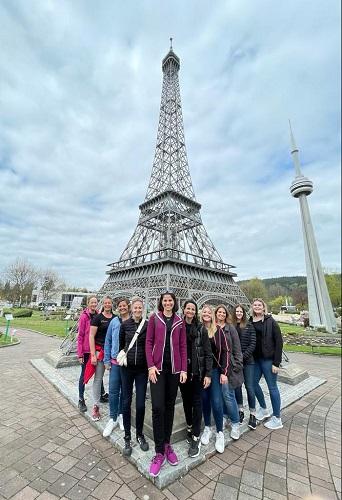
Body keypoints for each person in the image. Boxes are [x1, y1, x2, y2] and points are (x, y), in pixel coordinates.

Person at [145, 292, 187, 478]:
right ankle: (159, 452)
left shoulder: (180, 321)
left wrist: (183, 369)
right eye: (165, 300)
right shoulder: (154, 319)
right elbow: (148, 342)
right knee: (157, 407)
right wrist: (151, 366)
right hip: (158, 370)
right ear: (161, 303)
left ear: (174, 302)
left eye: (170, 300)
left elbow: (183, 346)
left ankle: (167, 444)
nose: (168, 303)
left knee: (169, 407)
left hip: (174, 371)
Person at [180, 300, 212, 458]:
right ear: (184, 310)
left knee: (197, 403)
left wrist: (208, 374)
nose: (190, 311)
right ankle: (190, 426)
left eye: (193, 309)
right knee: (186, 401)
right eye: (188, 309)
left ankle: (196, 436)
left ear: (195, 311)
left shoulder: (201, 329)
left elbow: (207, 352)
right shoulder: (178, 327)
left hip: (197, 373)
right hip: (182, 373)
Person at [120, 297, 149, 456]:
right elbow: (121, 346)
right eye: (135, 308)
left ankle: (139, 434)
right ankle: (127, 436)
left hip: (142, 370)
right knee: (126, 401)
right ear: (131, 309)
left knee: (140, 404)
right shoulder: (125, 325)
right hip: (127, 369)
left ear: (143, 309)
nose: (138, 310)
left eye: (140, 308)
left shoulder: (147, 325)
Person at [251, 298, 283, 430]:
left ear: (264, 308)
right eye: (255, 305)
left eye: (260, 305)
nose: (257, 306)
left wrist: (276, 362)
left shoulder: (271, 321)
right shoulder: (250, 321)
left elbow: (279, 342)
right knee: (252, 384)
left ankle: (277, 418)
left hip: (268, 360)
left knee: (272, 388)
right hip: (256, 360)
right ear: (252, 307)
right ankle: (264, 409)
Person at [200, 304, 228, 453]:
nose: (206, 314)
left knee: (216, 401)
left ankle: (220, 432)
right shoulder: (198, 329)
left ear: (212, 315)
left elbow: (225, 352)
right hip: (201, 372)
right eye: (204, 312)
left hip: (215, 371)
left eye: (208, 312)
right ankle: (207, 428)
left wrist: (224, 371)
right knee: (204, 400)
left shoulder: (218, 330)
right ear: (201, 314)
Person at [215, 304, 243, 441]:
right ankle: (225, 416)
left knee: (228, 395)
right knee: (221, 395)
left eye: (223, 312)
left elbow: (237, 348)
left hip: (229, 367)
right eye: (219, 312)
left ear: (226, 315)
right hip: (216, 367)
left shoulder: (230, 328)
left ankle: (236, 423)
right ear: (216, 314)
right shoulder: (212, 327)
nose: (221, 314)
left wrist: (237, 365)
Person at [102, 298, 130, 436]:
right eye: (120, 306)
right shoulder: (114, 322)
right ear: (117, 308)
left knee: (125, 392)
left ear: (128, 307)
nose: (122, 308)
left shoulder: (133, 321)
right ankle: (112, 418)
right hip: (114, 362)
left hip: (129, 363)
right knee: (113, 391)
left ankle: (121, 415)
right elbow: (107, 341)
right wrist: (106, 360)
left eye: (125, 305)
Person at [231, 304, 257, 429]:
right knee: (237, 387)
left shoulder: (249, 325)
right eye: (237, 311)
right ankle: (240, 410)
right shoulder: (231, 326)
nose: (239, 313)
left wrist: (242, 356)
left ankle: (253, 413)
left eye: (240, 311)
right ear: (234, 312)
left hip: (248, 361)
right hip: (236, 361)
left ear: (243, 313)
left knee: (250, 387)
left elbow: (253, 344)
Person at [89, 296, 114, 421]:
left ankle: (115, 407)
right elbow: (91, 336)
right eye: (106, 303)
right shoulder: (98, 318)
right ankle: (96, 406)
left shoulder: (116, 318)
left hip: (112, 354)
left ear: (112, 304)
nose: (108, 304)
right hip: (100, 353)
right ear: (103, 304)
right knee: (98, 379)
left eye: (109, 303)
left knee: (114, 380)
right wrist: (93, 354)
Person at [77, 296, 98, 412]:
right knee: (84, 375)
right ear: (88, 303)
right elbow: (80, 336)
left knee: (98, 372)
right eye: (92, 302)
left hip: (96, 349)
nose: (94, 304)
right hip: (85, 351)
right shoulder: (84, 317)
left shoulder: (99, 315)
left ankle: (102, 393)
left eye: (95, 302)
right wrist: (79, 354)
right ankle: (81, 399)